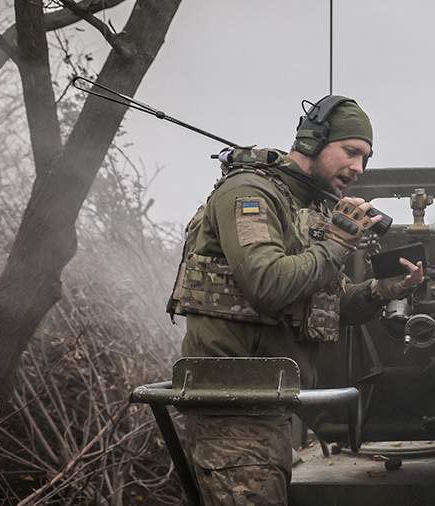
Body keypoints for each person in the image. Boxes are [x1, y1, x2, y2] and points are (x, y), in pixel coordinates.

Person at [166, 96, 422, 504]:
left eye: (366, 158)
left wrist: (383, 290)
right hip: (233, 410)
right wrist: (338, 243)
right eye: (351, 151)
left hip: (270, 407)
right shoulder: (250, 194)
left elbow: (330, 302)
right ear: (311, 142)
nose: (359, 167)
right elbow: (267, 283)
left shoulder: (306, 208)